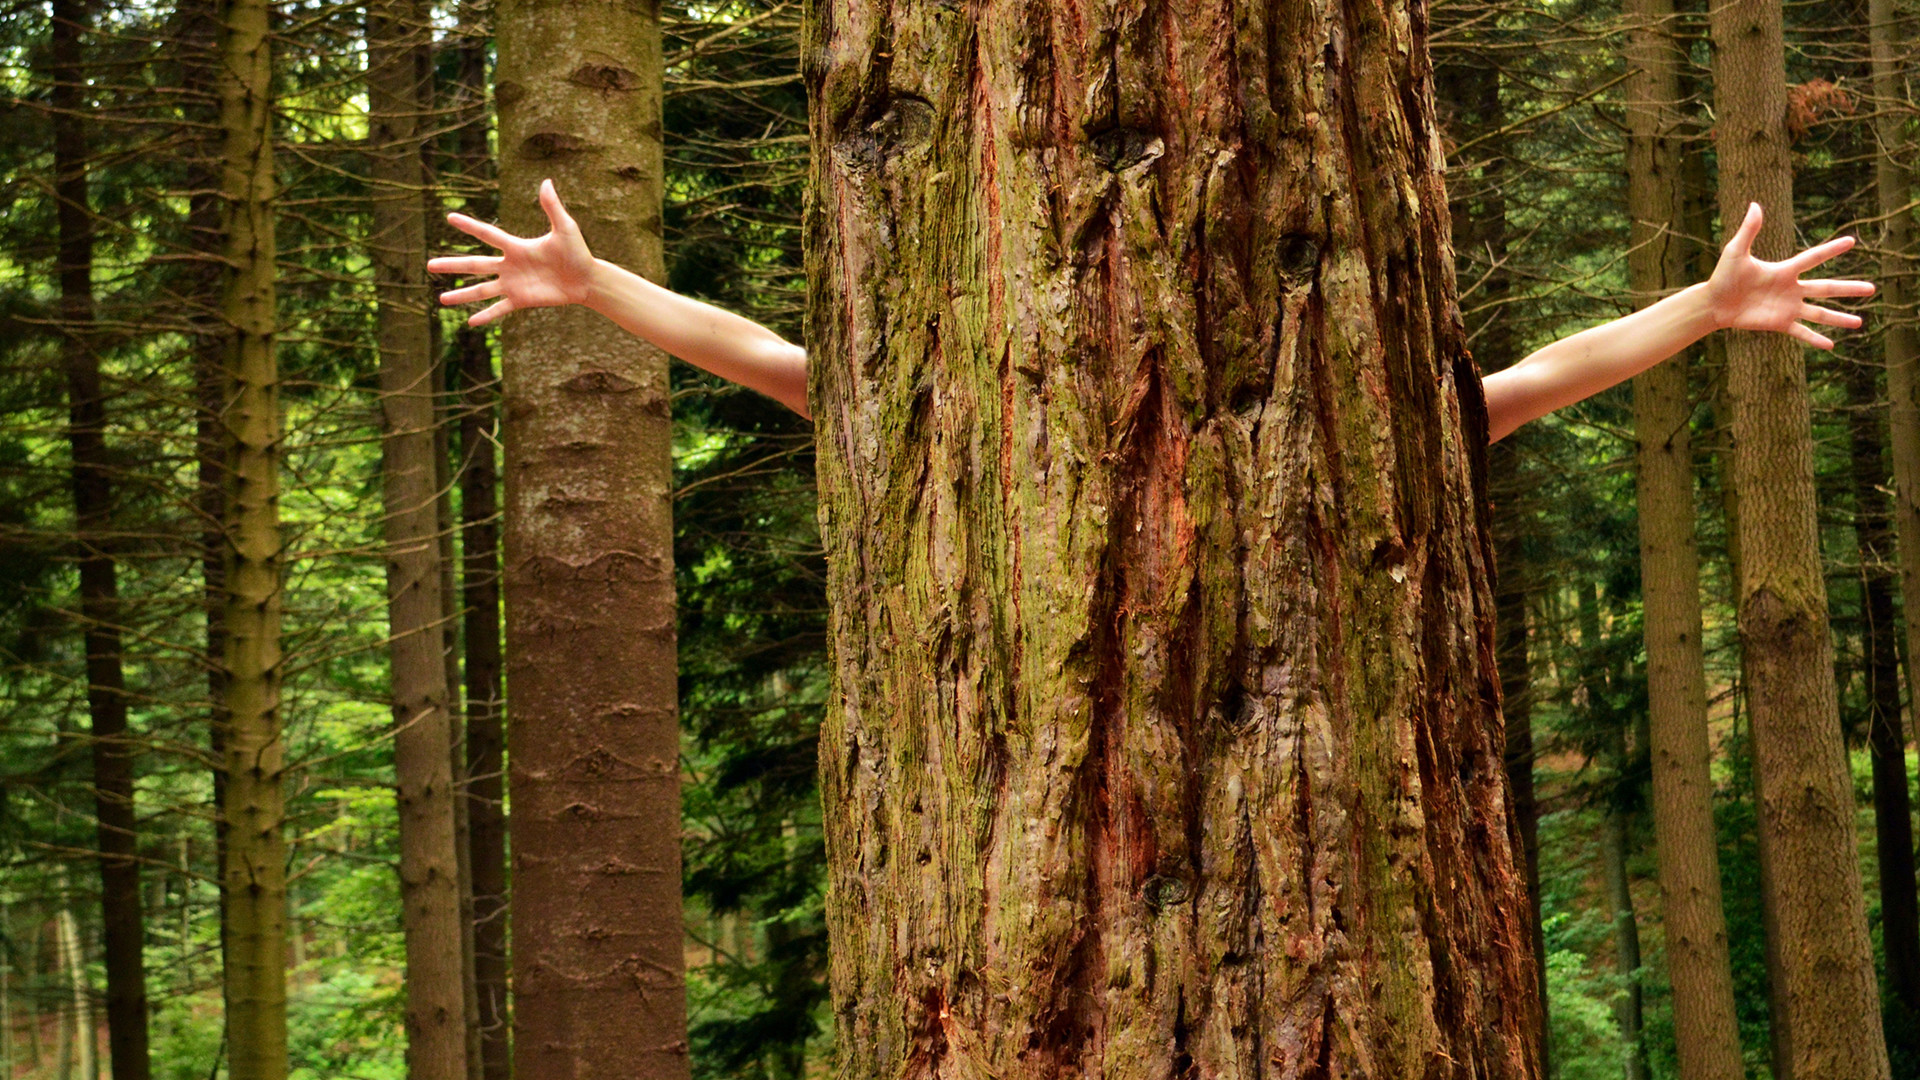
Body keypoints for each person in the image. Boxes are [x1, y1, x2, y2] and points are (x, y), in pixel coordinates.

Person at [429, 180, 1874, 439]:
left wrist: (1697, 304)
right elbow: (763, 358)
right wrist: (593, 281)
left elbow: (1533, 378)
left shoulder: (1322, 436)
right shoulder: (982, 433)